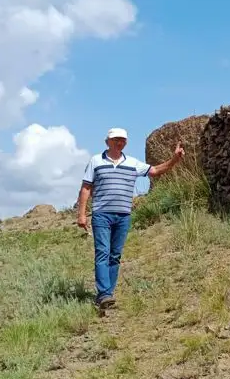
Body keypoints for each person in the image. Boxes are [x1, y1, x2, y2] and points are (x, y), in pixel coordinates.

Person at [77, 127, 184, 309]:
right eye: (115, 139)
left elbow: (156, 171)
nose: (119, 142)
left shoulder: (132, 163)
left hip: (123, 215)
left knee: (115, 255)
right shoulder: (95, 161)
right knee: (103, 252)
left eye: (122, 140)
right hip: (101, 214)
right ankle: (104, 294)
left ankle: (106, 295)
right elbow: (86, 188)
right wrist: (81, 214)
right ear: (107, 142)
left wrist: (174, 159)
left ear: (125, 143)